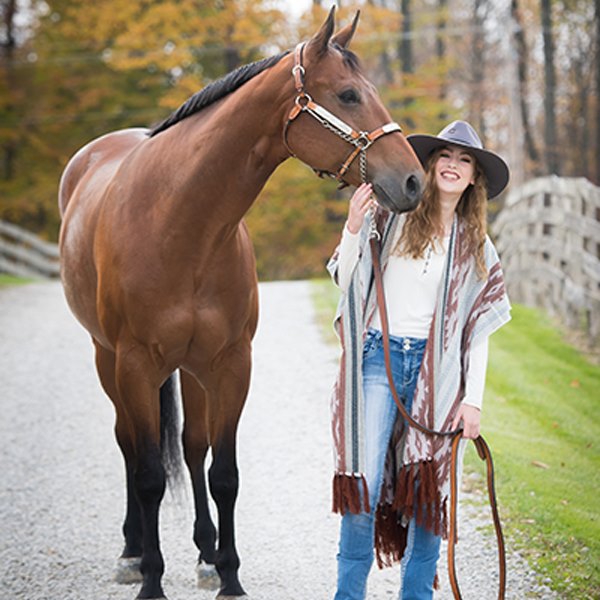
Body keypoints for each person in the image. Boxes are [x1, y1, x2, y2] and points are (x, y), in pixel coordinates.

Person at [327, 120, 511, 600]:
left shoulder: (478, 249)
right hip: (376, 360)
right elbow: (344, 278)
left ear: (474, 178)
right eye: (445, 156)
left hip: (440, 376)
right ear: (431, 165)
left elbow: (479, 330)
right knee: (362, 487)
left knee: (428, 495)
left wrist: (474, 401)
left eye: (464, 160)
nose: (452, 165)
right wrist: (351, 227)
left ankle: (417, 594)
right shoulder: (391, 217)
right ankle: (348, 593)